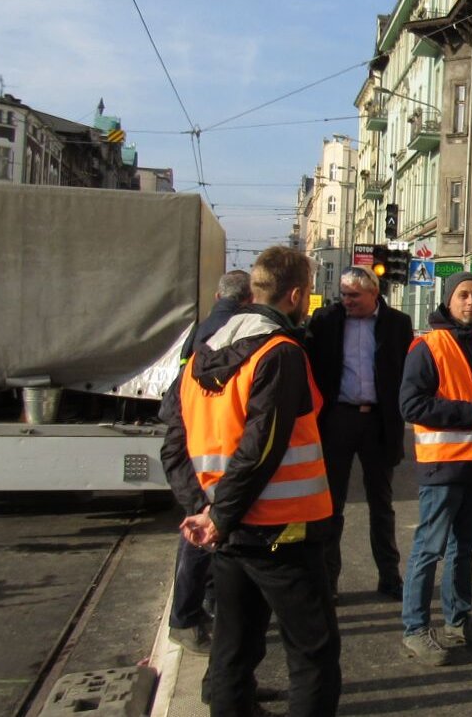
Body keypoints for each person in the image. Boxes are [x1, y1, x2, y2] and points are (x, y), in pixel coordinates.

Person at [160, 246, 341, 717]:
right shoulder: (280, 353)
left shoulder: (203, 352)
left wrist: (202, 510)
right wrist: (218, 515)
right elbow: (261, 448)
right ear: (297, 295)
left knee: (233, 652)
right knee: (312, 654)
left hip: (230, 534)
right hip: (282, 531)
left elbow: (174, 446)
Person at [398, 271, 472, 666]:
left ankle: (458, 620)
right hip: (443, 466)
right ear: (449, 301)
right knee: (428, 549)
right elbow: (411, 406)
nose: (470, 303)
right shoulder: (427, 347)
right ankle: (414, 629)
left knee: (464, 548)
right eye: (463, 295)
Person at [303, 267, 414, 601]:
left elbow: (405, 371)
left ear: (373, 293)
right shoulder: (325, 320)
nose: (346, 300)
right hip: (338, 418)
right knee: (331, 504)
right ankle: (329, 580)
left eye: (354, 295)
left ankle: (389, 576)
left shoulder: (398, 323)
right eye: (344, 294)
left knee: (381, 503)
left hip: (379, 421)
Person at [166, 269, 251, 655]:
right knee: (201, 542)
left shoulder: (201, 330)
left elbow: (174, 403)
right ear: (248, 300)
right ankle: (187, 617)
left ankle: (197, 615)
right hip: (209, 458)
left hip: (193, 452)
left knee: (199, 541)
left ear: (219, 296)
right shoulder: (239, 333)